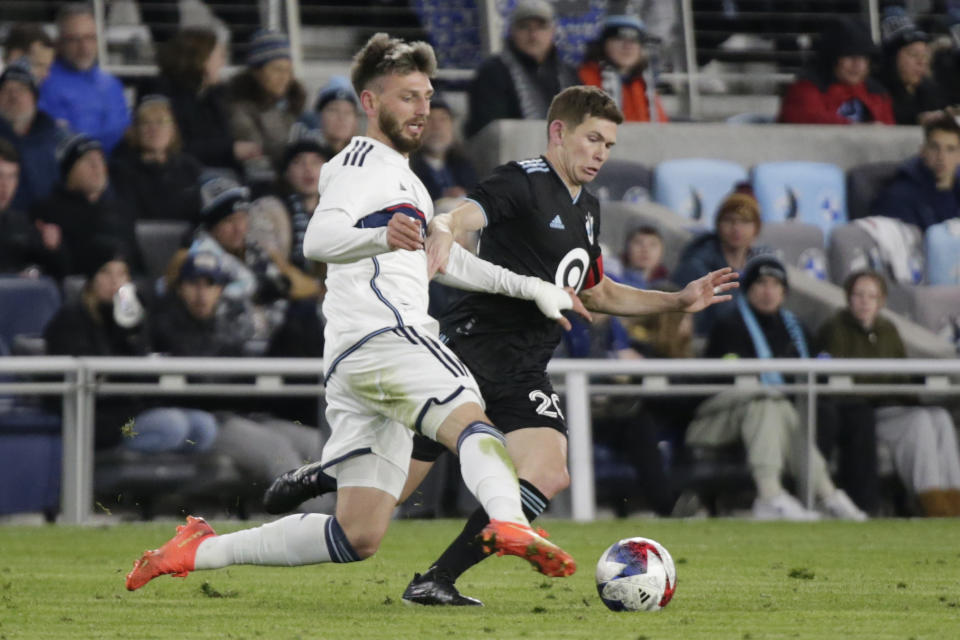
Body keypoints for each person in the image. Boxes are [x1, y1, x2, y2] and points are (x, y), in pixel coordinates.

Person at [125, 33, 588, 592]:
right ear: (370, 103)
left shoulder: (406, 180)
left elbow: (443, 262)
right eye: (407, 97)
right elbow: (318, 239)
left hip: (356, 360)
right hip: (387, 337)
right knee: (472, 418)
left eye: (426, 96)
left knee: (357, 533)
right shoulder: (361, 162)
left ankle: (200, 550)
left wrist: (530, 288)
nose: (422, 110)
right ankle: (510, 523)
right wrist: (379, 235)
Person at [264, 85, 738, 606]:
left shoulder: (589, 210)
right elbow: (465, 214)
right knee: (379, 503)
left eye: (609, 144)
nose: (601, 153)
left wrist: (677, 300)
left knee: (549, 470)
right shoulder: (523, 179)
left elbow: (596, 291)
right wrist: (444, 224)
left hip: (524, 368)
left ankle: (436, 579)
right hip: (468, 353)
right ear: (559, 133)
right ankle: (327, 471)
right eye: (592, 139)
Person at [689, 255, 871, 521]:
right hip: (718, 417)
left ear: (784, 291)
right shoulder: (728, 324)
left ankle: (826, 494)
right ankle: (772, 494)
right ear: (749, 287)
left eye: (775, 284)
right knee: (767, 398)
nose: (768, 291)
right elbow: (717, 383)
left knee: (781, 406)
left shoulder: (794, 327)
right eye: (761, 283)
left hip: (775, 411)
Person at [44, 244, 218, 455]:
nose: (115, 282)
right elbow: (92, 380)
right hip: (106, 423)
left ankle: (176, 485)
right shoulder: (71, 319)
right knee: (172, 426)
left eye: (122, 274)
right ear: (92, 280)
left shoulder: (132, 317)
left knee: (203, 428)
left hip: (135, 411)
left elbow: (146, 364)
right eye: (106, 273)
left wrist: (131, 330)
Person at [817, 270, 960, 517]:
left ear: (880, 301)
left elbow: (900, 376)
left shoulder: (888, 329)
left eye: (871, 296)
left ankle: (954, 495)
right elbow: (843, 379)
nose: (864, 301)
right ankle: (930, 499)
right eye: (859, 295)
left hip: (892, 405)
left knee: (939, 416)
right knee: (920, 422)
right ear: (849, 298)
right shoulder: (835, 327)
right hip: (863, 411)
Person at [30, 132, 142, 279]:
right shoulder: (47, 212)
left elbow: (138, 265)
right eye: (88, 160)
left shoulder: (121, 210)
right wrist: (54, 250)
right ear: (69, 170)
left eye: (100, 160)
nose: (97, 167)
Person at [464, 0, 578, 137]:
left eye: (541, 27)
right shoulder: (492, 73)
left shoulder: (569, 75)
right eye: (524, 27)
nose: (533, 35)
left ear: (552, 31)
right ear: (512, 31)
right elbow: (489, 131)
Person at [672, 188, 771, 336]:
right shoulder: (696, 265)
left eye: (745, 222)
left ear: (756, 228)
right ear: (718, 224)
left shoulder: (763, 265)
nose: (736, 228)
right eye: (729, 220)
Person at [152, 27, 247, 173]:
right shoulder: (166, 96)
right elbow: (178, 148)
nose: (222, 64)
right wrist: (230, 150)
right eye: (219, 57)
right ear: (201, 59)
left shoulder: (214, 95)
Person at [37, 3, 130, 152]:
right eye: (74, 40)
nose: (84, 47)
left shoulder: (112, 84)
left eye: (89, 38)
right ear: (59, 43)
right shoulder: (44, 84)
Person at [779, 17, 895, 125]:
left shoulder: (878, 94)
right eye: (850, 56)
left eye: (864, 58)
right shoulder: (805, 89)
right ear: (832, 58)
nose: (858, 65)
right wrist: (859, 129)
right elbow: (808, 120)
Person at [109, 95, 204, 224]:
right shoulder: (120, 169)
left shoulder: (189, 167)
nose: (153, 129)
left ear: (173, 130)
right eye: (146, 123)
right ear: (136, 130)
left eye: (161, 122)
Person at [227, 29, 306, 179]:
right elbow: (256, 151)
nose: (284, 77)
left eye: (288, 71)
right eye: (277, 70)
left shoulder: (292, 104)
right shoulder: (240, 109)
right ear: (257, 71)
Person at [871, 113, 960, 231]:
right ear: (922, 151)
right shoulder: (898, 196)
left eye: (950, 149)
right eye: (934, 147)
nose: (941, 157)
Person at [577, 14, 669, 123]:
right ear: (603, 44)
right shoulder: (583, 80)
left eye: (634, 40)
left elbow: (662, 128)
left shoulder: (645, 85)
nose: (627, 46)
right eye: (619, 38)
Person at [0, 58, 60, 212]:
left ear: (34, 97)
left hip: (47, 223)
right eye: (6, 90)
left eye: (21, 89)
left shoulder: (56, 136)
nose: (13, 96)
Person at [0, 138, 62, 275]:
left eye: (12, 176)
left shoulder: (20, 223)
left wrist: (52, 248)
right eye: (0, 175)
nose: (5, 185)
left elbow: (55, 274)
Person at [877, 9, 948, 125]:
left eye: (924, 55)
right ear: (892, 58)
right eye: (913, 54)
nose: (921, 62)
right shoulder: (877, 93)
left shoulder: (930, 91)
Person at [409, 96, 478, 201]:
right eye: (429, 120)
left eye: (443, 120)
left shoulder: (464, 166)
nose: (437, 127)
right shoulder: (409, 167)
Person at [308, 76, 359, 155]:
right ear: (320, 116)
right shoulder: (307, 157)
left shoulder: (365, 159)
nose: (341, 118)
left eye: (348, 112)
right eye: (333, 110)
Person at [614, 225, 670, 290]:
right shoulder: (609, 276)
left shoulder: (668, 291)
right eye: (638, 242)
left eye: (653, 244)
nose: (645, 250)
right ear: (627, 248)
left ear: (661, 252)